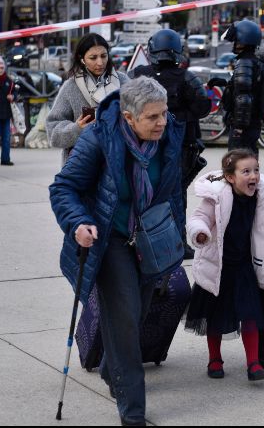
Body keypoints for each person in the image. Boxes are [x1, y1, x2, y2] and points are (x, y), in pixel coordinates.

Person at [49, 76, 186, 426]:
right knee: (124, 317)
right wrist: (78, 222)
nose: (162, 122)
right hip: (108, 236)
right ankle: (133, 408)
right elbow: (64, 187)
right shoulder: (98, 138)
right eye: (153, 117)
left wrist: (177, 236)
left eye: (165, 114)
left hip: (150, 238)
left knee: (137, 311)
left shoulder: (168, 135)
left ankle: (113, 368)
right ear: (128, 117)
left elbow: (173, 191)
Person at [184, 149, 264, 381]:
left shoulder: (261, 197)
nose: (253, 176)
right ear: (230, 177)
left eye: (256, 170)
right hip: (218, 268)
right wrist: (199, 232)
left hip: (243, 268)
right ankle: (215, 359)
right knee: (215, 317)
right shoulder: (218, 197)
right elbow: (199, 218)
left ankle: (253, 363)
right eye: (246, 171)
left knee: (250, 314)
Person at [130, 29, 211, 260]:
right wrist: (181, 117)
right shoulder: (185, 77)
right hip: (179, 147)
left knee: (145, 193)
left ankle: (144, 241)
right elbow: (203, 106)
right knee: (175, 195)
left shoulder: (138, 74)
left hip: (146, 145)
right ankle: (177, 243)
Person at [46, 32, 129, 164]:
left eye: (103, 56)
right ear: (82, 59)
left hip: (120, 161)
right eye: (93, 57)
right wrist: (77, 128)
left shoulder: (123, 81)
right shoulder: (71, 87)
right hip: (82, 165)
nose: (100, 62)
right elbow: (53, 132)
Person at [220, 20, 264, 154]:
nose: (234, 43)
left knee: (237, 165)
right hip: (253, 122)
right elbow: (245, 88)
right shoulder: (255, 61)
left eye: (236, 40)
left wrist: (238, 128)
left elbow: (243, 98)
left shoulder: (244, 62)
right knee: (249, 164)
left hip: (243, 127)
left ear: (243, 41)